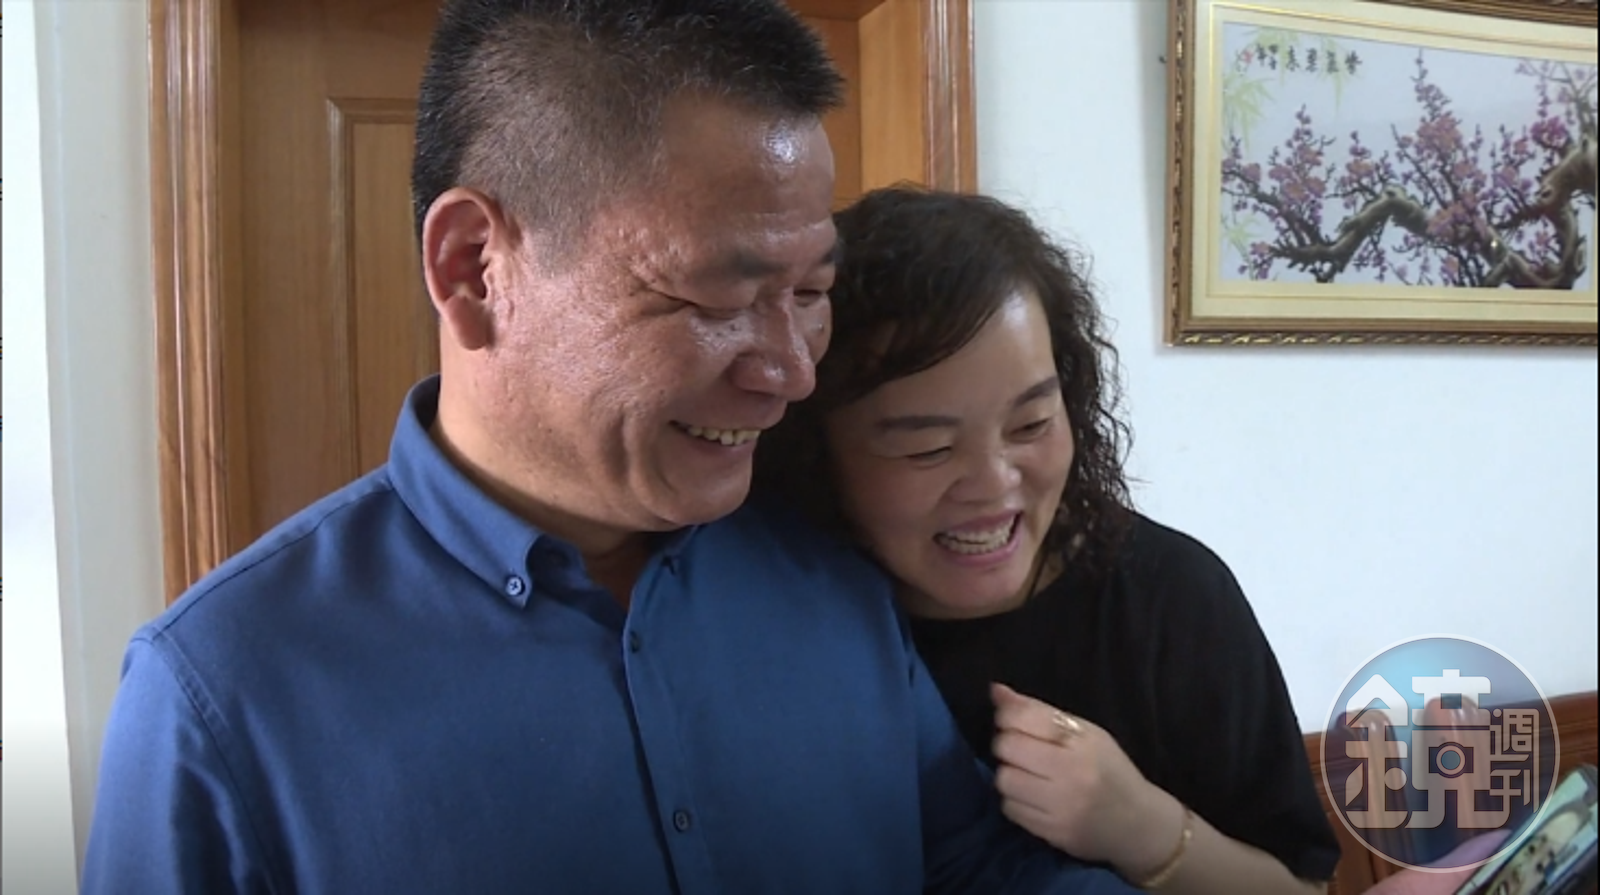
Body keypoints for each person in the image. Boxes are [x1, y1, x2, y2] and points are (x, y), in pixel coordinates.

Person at [79, 3, 1135, 893]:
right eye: (718, 297)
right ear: (473, 268)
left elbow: (967, 867)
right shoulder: (224, 689)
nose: (790, 371)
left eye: (810, 291)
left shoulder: (827, 577)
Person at [755, 185, 1343, 893]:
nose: (995, 483)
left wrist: (1142, 827)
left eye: (1031, 425)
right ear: (818, 451)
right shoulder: (781, 620)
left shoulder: (1170, 597)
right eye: (928, 449)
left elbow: (1301, 887)